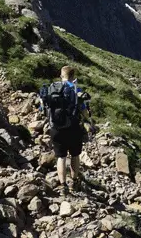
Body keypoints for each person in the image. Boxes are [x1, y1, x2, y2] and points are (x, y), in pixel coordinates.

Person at [39, 65, 91, 194]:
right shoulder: (75, 89)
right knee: (74, 155)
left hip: (55, 128)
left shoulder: (51, 88)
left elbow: (42, 108)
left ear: (61, 75)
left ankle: (63, 186)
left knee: (60, 157)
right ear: (73, 77)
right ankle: (73, 182)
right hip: (73, 128)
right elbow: (84, 111)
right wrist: (89, 118)